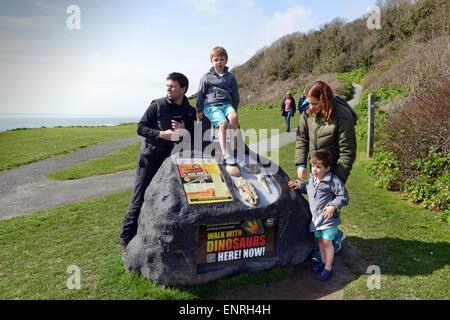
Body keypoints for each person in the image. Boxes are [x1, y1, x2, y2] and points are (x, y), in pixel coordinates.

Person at [120, 72, 197, 259]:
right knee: (138, 201)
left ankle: (158, 239)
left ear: (183, 89)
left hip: (172, 165)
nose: (169, 89)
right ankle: (126, 243)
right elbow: (140, 127)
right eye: (167, 86)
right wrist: (161, 134)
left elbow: (193, 137)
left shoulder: (189, 111)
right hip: (150, 160)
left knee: (169, 201)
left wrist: (184, 131)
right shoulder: (157, 105)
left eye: (173, 86)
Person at [295, 80, 357, 261]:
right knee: (316, 208)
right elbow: (302, 138)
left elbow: (348, 152)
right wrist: (301, 164)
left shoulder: (342, 116)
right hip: (316, 170)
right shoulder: (308, 111)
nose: (311, 107)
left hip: (332, 172)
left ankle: (331, 241)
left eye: (315, 104)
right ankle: (330, 238)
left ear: (326, 100)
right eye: (309, 102)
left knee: (327, 211)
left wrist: (335, 179)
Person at [288, 150, 349, 281]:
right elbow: (309, 189)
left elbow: (343, 196)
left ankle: (328, 267)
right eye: (313, 166)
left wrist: (333, 205)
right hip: (316, 220)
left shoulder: (333, 181)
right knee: (320, 241)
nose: (314, 170)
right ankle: (322, 260)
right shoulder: (312, 179)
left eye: (319, 167)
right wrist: (299, 185)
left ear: (327, 168)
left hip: (328, 219)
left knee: (327, 242)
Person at [196, 46, 240, 165]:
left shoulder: (231, 77)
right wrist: (200, 110)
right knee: (223, 124)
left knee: (234, 118)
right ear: (211, 62)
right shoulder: (206, 77)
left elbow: (235, 94)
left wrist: (233, 109)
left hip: (226, 104)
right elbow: (201, 94)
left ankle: (234, 149)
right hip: (212, 106)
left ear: (226, 61)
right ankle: (225, 154)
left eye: (221, 59)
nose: (219, 62)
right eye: (216, 59)